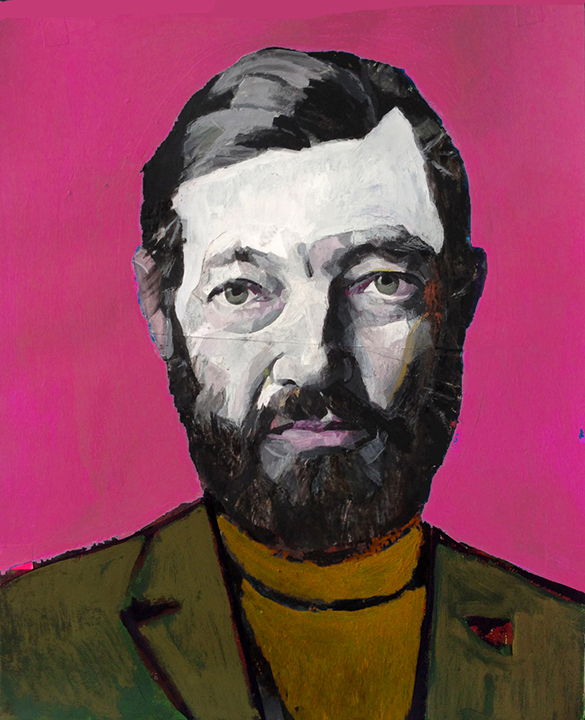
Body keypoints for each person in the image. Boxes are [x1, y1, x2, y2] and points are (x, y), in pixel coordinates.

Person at [2, 47, 584, 720]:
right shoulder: (21, 646)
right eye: (242, 290)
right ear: (161, 310)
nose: (313, 362)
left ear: (456, 301)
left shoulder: (566, 658)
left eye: (380, 282)